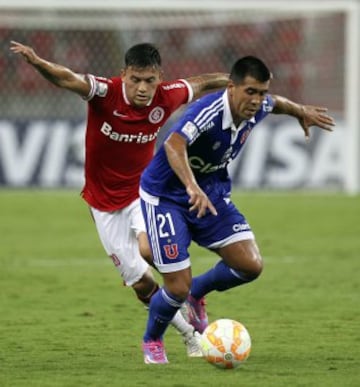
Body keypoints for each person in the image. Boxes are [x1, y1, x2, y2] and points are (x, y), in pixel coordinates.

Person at [10, 40, 230, 358]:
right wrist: (38, 62)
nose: (142, 88)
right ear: (124, 74)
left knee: (150, 249)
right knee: (142, 284)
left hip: (144, 192)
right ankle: (188, 335)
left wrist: (235, 80)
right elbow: (67, 78)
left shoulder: (168, 96)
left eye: (149, 81)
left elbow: (202, 83)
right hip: (102, 203)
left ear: (159, 78)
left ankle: (192, 293)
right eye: (135, 80)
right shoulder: (104, 92)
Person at [139, 55, 335, 364]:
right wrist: (192, 187)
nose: (257, 100)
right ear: (232, 88)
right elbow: (173, 145)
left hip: (212, 193)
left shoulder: (259, 107)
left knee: (250, 265)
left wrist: (300, 111)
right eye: (251, 92)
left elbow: (276, 103)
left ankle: (196, 293)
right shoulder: (209, 111)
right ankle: (153, 339)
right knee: (176, 286)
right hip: (167, 195)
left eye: (261, 92)